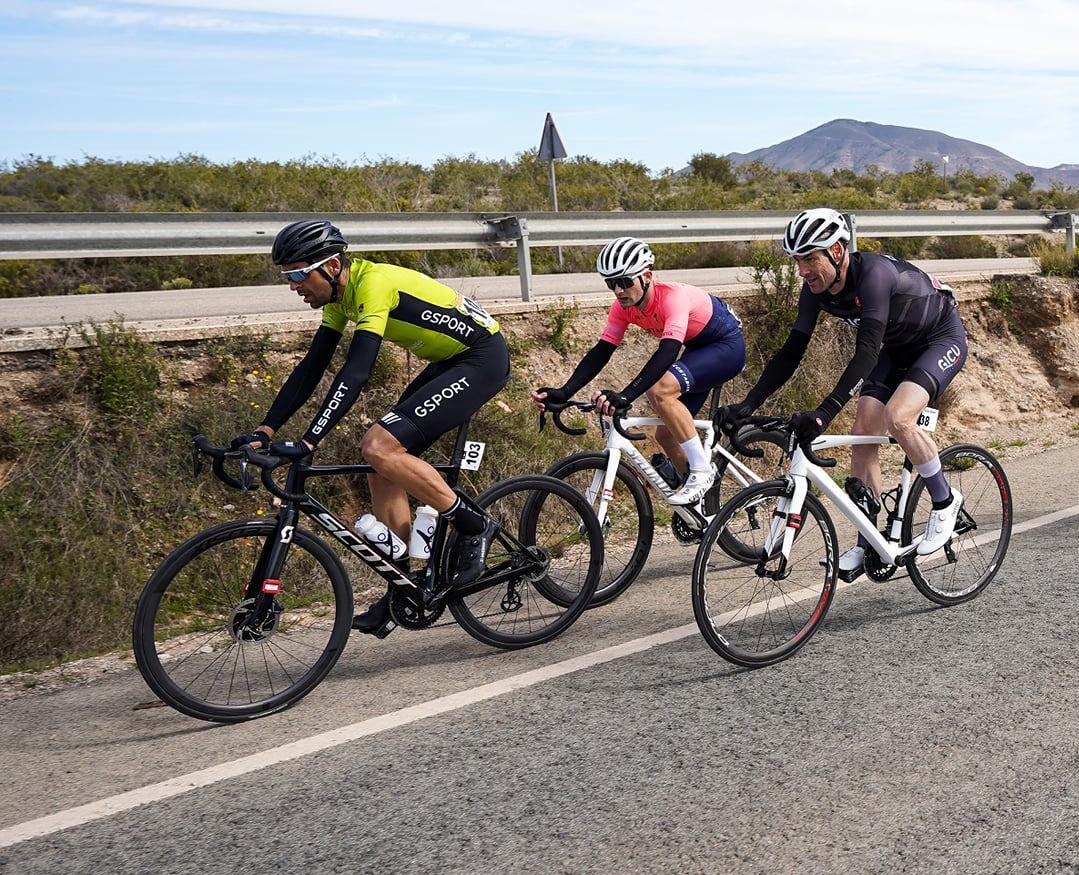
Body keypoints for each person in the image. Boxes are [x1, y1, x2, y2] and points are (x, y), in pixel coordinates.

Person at [237, 219, 509, 636]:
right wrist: (265, 430)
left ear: (330, 266)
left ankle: (475, 524)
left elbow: (356, 371)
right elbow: (311, 368)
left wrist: (310, 440)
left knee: (378, 447)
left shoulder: (372, 285)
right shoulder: (339, 299)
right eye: (286, 277)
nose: (293, 286)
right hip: (449, 363)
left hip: (481, 358)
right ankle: (402, 587)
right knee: (381, 470)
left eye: (296, 274)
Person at [714, 208, 970, 574]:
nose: (802, 271)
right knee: (862, 432)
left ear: (836, 250)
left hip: (939, 338)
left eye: (809, 259)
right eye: (797, 261)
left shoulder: (873, 276)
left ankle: (945, 502)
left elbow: (865, 354)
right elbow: (791, 352)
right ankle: (870, 542)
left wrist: (823, 412)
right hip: (896, 349)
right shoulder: (815, 289)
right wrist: (749, 403)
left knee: (898, 417)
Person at [532, 237, 746, 509]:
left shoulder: (672, 298)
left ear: (646, 276)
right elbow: (602, 350)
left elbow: (667, 352)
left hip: (726, 347)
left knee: (661, 392)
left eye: (624, 281)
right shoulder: (624, 308)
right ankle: (700, 503)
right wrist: (564, 391)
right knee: (666, 436)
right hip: (697, 351)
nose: (618, 290)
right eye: (611, 283)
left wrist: (627, 395)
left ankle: (702, 473)